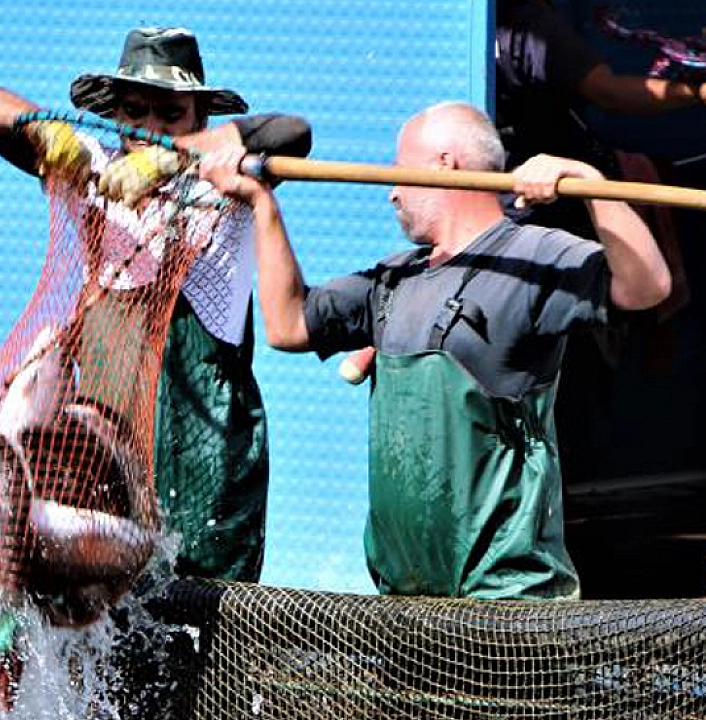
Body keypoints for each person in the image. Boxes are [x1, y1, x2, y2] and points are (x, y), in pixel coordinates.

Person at [200, 102, 670, 600]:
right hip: (407, 601)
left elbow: (647, 287)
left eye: (401, 171)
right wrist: (262, 205)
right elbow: (288, 325)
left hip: (507, 601)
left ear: (444, 163)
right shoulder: (394, 279)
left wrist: (587, 179)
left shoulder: (532, 258)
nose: (392, 193)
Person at [0, 25, 311, 585]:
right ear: (115, 115)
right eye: (136, 113)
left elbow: (292, 131)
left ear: (199, 121)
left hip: (207, 447)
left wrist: (173, 160)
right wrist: (42, 126)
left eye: (170, 115)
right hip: (104, 438)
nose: (151, 130)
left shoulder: (227, 178)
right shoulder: (87, 165)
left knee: (202, 618)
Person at [496, 0, 706, 182]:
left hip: (502, 186)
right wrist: (695, 91)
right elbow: (608, 91)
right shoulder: (530, 25)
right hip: (541, 194)